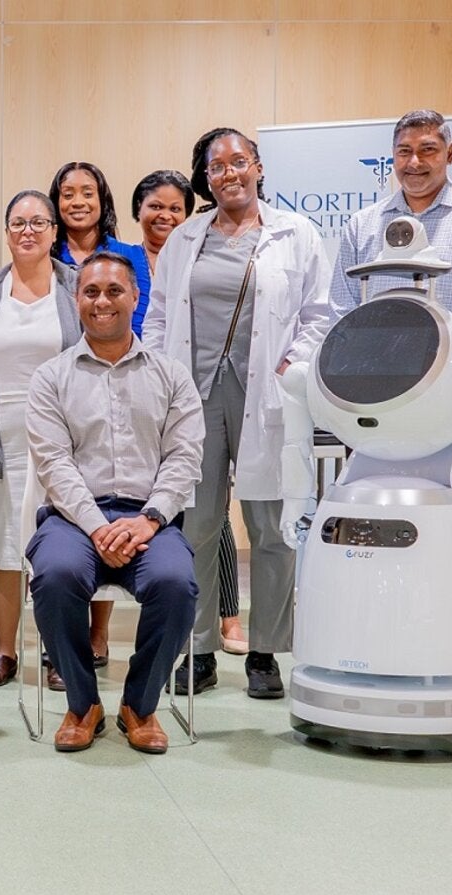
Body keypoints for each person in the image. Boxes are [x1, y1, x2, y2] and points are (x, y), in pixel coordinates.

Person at [143, 127, 331, 700]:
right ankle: (197, 648)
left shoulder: (296, 235)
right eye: (216, 166)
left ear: (259, 167)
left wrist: (291, 364)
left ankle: (265, 653)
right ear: (205, 178)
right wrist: (158, 376)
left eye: (239, 162)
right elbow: (156, 316)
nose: (229, 173)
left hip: (267, 399)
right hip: (194, 399)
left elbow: (320, 315)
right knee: (195, 525)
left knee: (271, 530)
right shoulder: (185, 240)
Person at [25, 252, 204, 753]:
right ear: (77, 300)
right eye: (90, 292)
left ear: (135, 298)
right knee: (56, 577)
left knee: (176, 584)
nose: (102, 302)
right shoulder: (51, 377)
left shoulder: (171, 375)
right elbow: (54, 465)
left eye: (114, 291)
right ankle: (83, 704)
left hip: (150, 518)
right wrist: (96, 527)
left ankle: (139, 706)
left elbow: (185, 458)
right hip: (72, 520)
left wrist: (148, 520)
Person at [329, 109, 452, 530]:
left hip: (449, 402)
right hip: (371, 402)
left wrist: (443, 383)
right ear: (392, 157)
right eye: (404, 152)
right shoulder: (363, 225)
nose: (414, 162)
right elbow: (342, 310)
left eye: (427, 150)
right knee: (369, 515)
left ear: (450, 152)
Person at [0, 190, 80, 688]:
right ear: (6, 232)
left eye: (38, 222)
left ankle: (56, 654)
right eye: (17, 222)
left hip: (64, 442)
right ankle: (5, 652)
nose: (27, 230)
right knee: (4, 547)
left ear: (53, 231)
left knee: (59, 550)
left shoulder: (73, 286)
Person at [133, 170, 248, 654]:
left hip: (201, 384)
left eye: (175, 207)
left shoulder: (203, 250)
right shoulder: (128, 259)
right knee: (190, 507)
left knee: (211, 510)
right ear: (138, 210)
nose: (165, 215)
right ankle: (188, 625)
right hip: (144, 389)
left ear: (188, 212)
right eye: (154, 206)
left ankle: (228, 616)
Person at [49, 161, 152, 334]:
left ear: (102, 200)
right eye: (68, 195)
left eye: (88, 194)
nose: (78, 202)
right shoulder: (46, 259)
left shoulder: (132, 256)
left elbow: (140, 325)